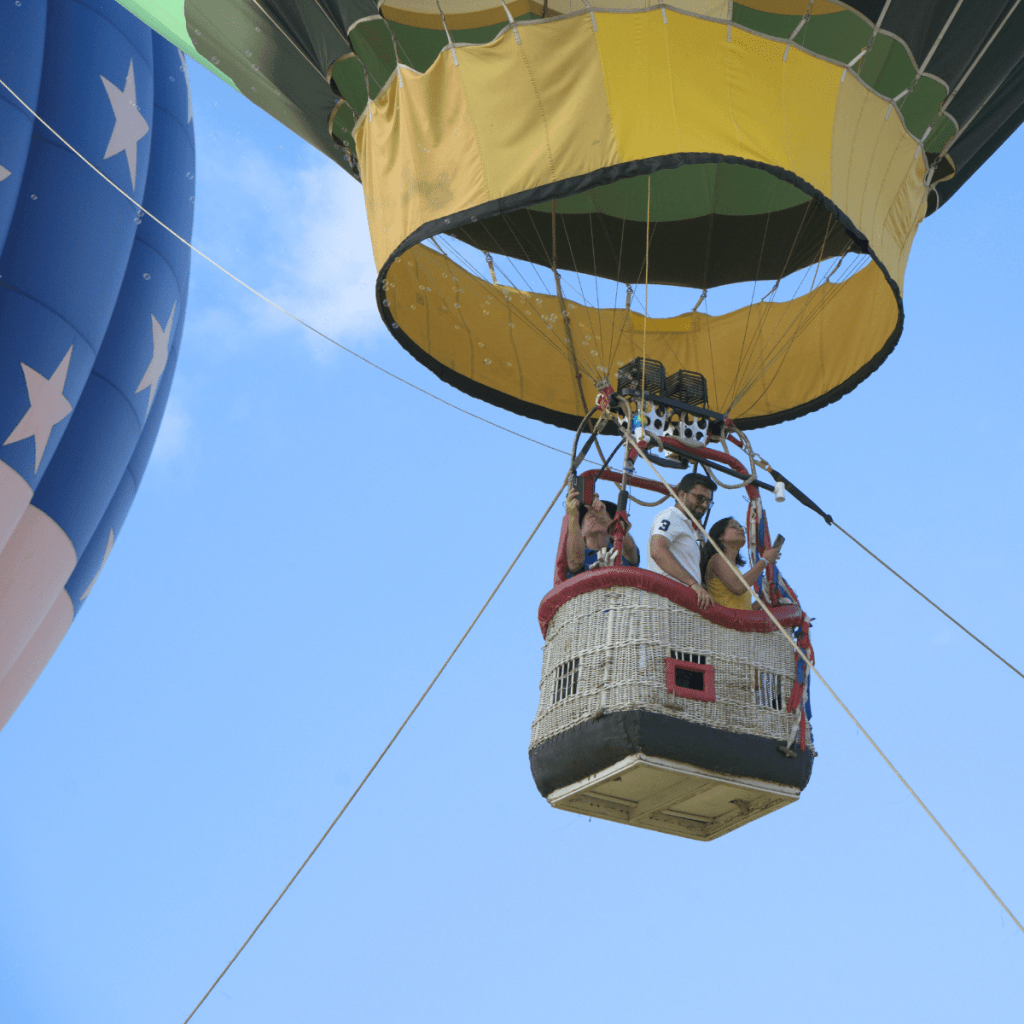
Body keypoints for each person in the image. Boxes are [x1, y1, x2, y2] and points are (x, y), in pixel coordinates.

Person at [648, 473, 717, 609]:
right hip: (668, 602)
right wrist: (693, 584)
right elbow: (657, 550)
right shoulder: (671, 516)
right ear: (681, 495)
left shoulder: (686, 526)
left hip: (680, 603)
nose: (704, 505)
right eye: (699, 498)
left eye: (708, 502)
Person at [699, 517, 782, 610]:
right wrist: (765, 560)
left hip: (734, 623)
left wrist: (764, 597)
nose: (741, 529)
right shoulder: (716, 559)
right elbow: (738, 587)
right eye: (734, 526)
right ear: (720, 536)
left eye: (741, 527)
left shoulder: (735, 571)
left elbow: (746, 610)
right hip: (724, 623)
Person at [565, 491, 640, 576]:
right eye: (591, 516)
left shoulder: (620, 549)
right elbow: (575, 562)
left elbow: (630, 551)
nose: (597, 517)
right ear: (581, 531)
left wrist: (604, 519)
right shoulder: (579, 554)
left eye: (604, 514)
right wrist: (573, 516)